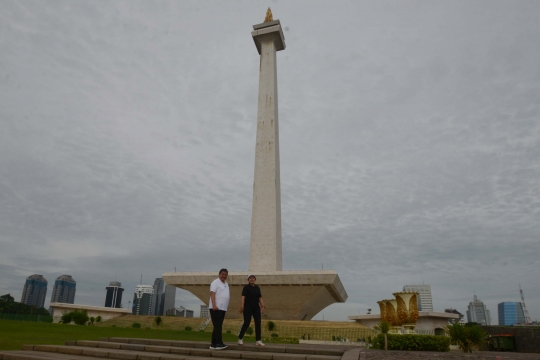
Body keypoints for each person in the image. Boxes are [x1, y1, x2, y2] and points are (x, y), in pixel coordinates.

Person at [237, 274, 265, 346]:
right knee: (247, 322)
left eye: (253, 278)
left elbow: (260, 298)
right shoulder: (246, 288)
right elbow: (243, 297)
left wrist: (263, 306)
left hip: (256, 307)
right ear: (248, 280)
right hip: (247, 307)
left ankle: (258, 340)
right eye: (250, 278)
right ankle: (240, 338)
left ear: (255, 279)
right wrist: (242, 306)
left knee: (258, 323)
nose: (252, 279)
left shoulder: (257, 288)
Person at [209, 268, 230, 350]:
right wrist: (214, 305)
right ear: (219, 274)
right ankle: (219, 343)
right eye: (222, 274)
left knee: (217, 326)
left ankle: (213, 344)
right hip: (216, 308)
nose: (224, 276)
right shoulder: (215, 282)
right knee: (218, 326)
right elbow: (212, 293)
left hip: (222, 308)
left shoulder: (226, 284)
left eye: (225, 275)